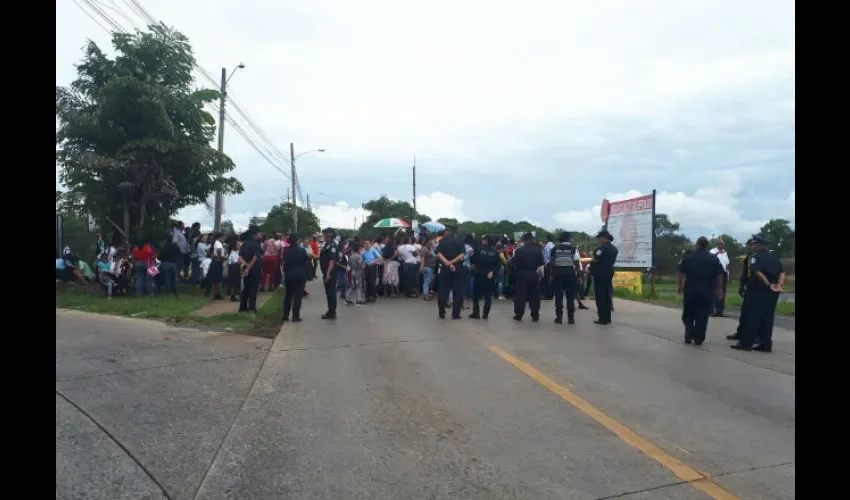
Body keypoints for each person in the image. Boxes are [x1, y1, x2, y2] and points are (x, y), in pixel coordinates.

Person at [731, 235, 785, 352]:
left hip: (757, 290)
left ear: (759, 245)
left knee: (751, 316)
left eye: (753, 244)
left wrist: (767, 284)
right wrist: (779, 285)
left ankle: (746, 343)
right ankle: (765, 344)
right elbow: (782, 272)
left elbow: (757, 272)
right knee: (767, 318)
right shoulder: (774, 256)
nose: (752, 246)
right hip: (772, 292)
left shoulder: (756, 257)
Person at [676, 237, 725, 345]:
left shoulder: (688, 257)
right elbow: (719, 275)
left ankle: (689, 335)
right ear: (707, 245)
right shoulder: (713, 258)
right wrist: (719, 289)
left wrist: (679, 286)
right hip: (707, 289)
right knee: (703, 314)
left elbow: (679, 272)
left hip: (691, 289)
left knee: (688, 313)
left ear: (697, 244)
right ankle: (699, 338)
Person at [549, 231, 581, 325]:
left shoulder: (555, 249)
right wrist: (578, 275)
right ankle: (571, 319)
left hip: (558, 274)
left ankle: (559, 318)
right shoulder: (573, 249)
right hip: (570, 273)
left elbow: (552, 263)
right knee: (570, 297)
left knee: (558, 297)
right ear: (569, 239)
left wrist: (551, 275)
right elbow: (576, 262)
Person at [511, 232, 545, 322]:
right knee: (534, 296)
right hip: (533, 274)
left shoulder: (518, 251)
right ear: (532, 240)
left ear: (524, 241)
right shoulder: (538, 250)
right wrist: (541, 276)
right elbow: (541, 265)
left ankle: (519, 314)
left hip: (521, 274)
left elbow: (513, 264)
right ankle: (535, 315)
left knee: (520, 296)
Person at [435, 224, 466, 319]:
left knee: (443, 290)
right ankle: (455, 314)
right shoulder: (460, 241)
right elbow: (462, 255)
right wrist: (452, 262)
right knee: (457, 291)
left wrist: (447, 263)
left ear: (446, 232)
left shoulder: (442, 241)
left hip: (445, 268)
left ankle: (441, 311)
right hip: (458, 268)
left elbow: (439, 254)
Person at [727, 238, 755, 343]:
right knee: (745, 311)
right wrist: (742, 285)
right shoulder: (748, 257)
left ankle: (754, 335)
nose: (750, 247)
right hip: (748, 287)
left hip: (755, 289)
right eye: (749, 245)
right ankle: (740, 332)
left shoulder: (759, 258)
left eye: (751, 245)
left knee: (753, 313)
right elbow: (745, 273)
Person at [469, 234, 501, 319]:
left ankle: (476, 313)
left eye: (483, 239)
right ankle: (485, 314)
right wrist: (492, 272)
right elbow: (498, 265)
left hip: (479, 274)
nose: (481, 241)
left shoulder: (478, 249)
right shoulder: (495, 252)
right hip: (489, 276)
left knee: (476, 295)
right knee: (488, 296)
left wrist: (472, 255)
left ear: (486, 241)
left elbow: (473, 260)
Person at [591, 230, 618, 325]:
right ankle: (608, 318)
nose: (599, 240)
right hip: (609, 273)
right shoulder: (614, 248)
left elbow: (596, 259)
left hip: (600, 274)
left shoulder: (601, 248)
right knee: (607, 295)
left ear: (603, 238)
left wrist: (592, 262)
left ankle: (602, 318)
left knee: (600, 296)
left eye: (599, 238)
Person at [282, 233, 309, 322]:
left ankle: (285, 315)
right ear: (297, 240)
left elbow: (284, 261)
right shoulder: (302, 250)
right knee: (298, 296)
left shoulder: (285, 250)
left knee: (288, 295)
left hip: (289, 274)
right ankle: (295, 316)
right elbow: (306, 261)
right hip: (300, 274)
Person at [238, 227, 264, 312]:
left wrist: (245, 264)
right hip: (254, 268)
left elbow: (240, 256)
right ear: (254, 235)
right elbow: (255, 257)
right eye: (259, 233)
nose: (261, 235)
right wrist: (249, 267)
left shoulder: (244, 244)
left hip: (246, 268)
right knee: (253, 288)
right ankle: (251, 307)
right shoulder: (256, 244)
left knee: (246, 287)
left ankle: (242, 307)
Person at [319, 227, 341, 319]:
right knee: (328, 291)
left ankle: (332, 311)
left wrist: (328, 273)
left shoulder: (332, 246)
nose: (323, 236)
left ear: (329, 235)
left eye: (324, 234)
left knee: (331, 291)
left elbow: (332, 260)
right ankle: (330, 310)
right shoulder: (326, 245)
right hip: (327, 272)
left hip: (330, 273)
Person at [709, 239, 731, 317]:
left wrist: (727, 273)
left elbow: (727, 263)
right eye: (721, 243)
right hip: (715, 274)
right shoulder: (712, 251)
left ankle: (720, 311)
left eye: (723, 244)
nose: (722, 245)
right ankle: (713, 310)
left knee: (723, 292)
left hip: (723, 273)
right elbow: (710, 259)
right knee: (716, 291)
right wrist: (718, 253)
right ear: (717, 244)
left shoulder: (725, 252)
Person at [206, 232, 225, 300]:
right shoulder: (218, 243)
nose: (223, 238)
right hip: (217, 260)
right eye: (223, 237)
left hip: (216, 259)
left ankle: (216, 293)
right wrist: (219, 257)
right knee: (216, 278)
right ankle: (214, 293)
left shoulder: (216, 242)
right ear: (219, 237)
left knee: (217, 278)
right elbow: (219, 250)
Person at [346, 241, 365, 306]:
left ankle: (347, 298)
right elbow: (361, 266)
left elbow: (349, 263)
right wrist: (364, 264)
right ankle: (358, 300)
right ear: (358, 249)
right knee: (359, 287)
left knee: (353, 286)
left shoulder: (351, 256)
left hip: (353, 271)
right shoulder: (359, 256)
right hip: (358, 272)